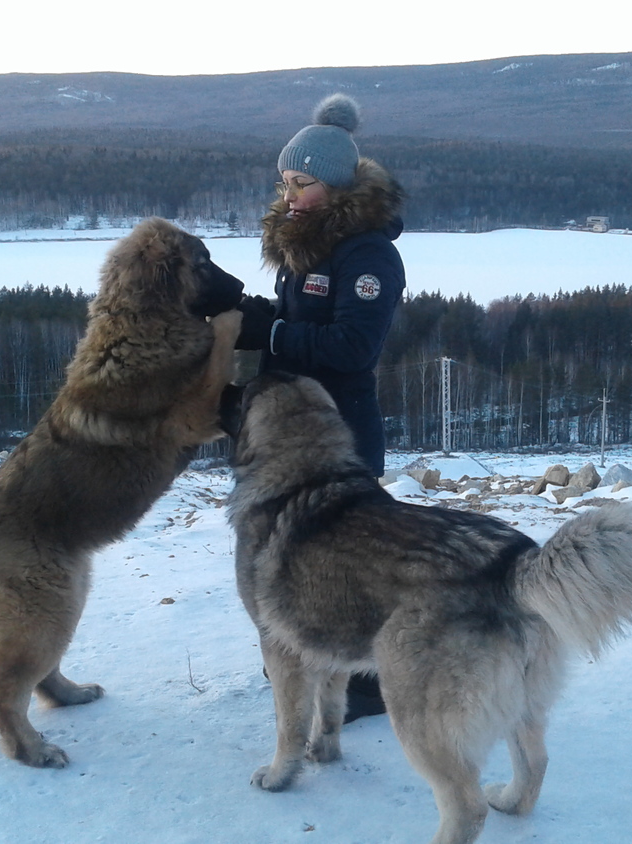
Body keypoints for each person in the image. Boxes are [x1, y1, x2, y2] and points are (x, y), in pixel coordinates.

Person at [236, 93, 406, 721]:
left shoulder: (368, 255)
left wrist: (272, 335)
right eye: (284, 181)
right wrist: (250, 315)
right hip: (297, 429)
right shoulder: (307, 242)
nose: (288, 195)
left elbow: (353, 345)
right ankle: (307, 660)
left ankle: (366, 682)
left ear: (334, 187)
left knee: (350, 559)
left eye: (301, 183)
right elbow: (296, 316)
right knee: (300, 552)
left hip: (342, 429)